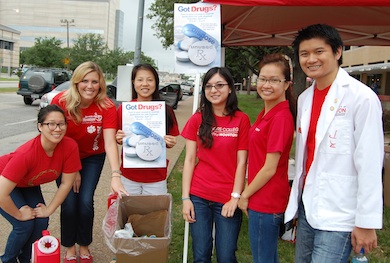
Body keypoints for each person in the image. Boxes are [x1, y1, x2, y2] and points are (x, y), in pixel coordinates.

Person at [284, 24, 384, 262]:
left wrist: (365, 222)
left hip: (341, 213)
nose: (311, 59)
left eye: (319, 52)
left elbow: (370, 162)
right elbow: (306, 156)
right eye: (304, 54)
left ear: (338, 51)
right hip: (308, 207)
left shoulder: (361, 97)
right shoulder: (305, 98)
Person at [51, 61, 127, 263]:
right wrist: (72, 168)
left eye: (95, 81)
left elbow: (110, 142)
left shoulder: (107, 106)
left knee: (85, 201)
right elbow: (54, 137)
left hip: (93, 156)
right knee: (68, 203)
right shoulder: (61, 102)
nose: (90, 86)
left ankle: (84, 245)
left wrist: (115, 175)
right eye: (85, 80)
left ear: (101, 83)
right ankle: (69, 247)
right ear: (76, 82)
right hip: (64, 156)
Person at [181, 67, 250, 262]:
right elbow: (189, 160)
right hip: (199, 196)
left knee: (226, 256)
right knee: (201, 255)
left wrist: (235, 197)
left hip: (227, 198)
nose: (214, 90)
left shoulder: (241, 120)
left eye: (219, 85)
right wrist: (186, 198)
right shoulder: (197, 119)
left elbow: (242, 162)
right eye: (209, 86)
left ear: (230, 89)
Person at [0, 105, 81, 263]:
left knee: (41, 221)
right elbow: (1, 193)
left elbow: (66, 184)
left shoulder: (70, 146)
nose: (57, 129)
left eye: (61, 124)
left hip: (26, 184)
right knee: (23, 225)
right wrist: (18, 214)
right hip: (3, 182)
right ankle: (8, 260)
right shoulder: (25, 155)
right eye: (51, 124)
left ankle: (26, 259)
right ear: (40, 126)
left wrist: (49, 210)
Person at [237, 53, 296, 263]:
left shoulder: (280, 117)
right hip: (261, 196)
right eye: (262, 79)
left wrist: (244, 195)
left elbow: (270, 168)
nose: (266, 85)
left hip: (266, 200)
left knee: (263, 258)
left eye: (274, 80)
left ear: (287, 84)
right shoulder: (267, 112)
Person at [115, 63, 180, 195]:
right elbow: (118, 138)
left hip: (156, 176)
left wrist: (171, 142)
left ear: (156, 82)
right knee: (130, 213)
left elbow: (170, 140)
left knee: (154, 215)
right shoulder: (124, 109)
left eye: (150, 80)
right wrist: (119, 138)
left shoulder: (165, 110)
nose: (145, 84)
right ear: (133, 82)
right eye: (140, 80)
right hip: (129, 174)